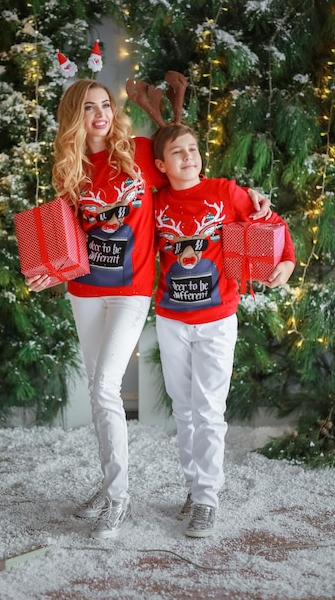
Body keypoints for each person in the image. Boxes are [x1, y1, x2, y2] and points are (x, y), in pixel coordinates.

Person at [25, 79, 271, 540]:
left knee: (104, 388)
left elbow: (191, 180)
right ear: (73, 118)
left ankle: (120, 498)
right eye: (88, 108)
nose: (99, 114)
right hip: (84, 289)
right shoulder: (68, 168)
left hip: (132, 291)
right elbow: (71, 235)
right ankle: (108, 485)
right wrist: (52, 271)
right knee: (102, 396)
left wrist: (250, 198)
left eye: (104, 104)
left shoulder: (138, 153)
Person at [151, 122, 295, 538]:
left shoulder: (223, 192)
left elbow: (270, 220)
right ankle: (195, 488)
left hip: (216, 319)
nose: (189, 157)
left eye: (193, 149)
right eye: (177, 152)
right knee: (183, 409)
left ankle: (207, 500)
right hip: (171, 319)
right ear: (162, 164)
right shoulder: (156, 202)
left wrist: (285, 259)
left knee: (209, 410)